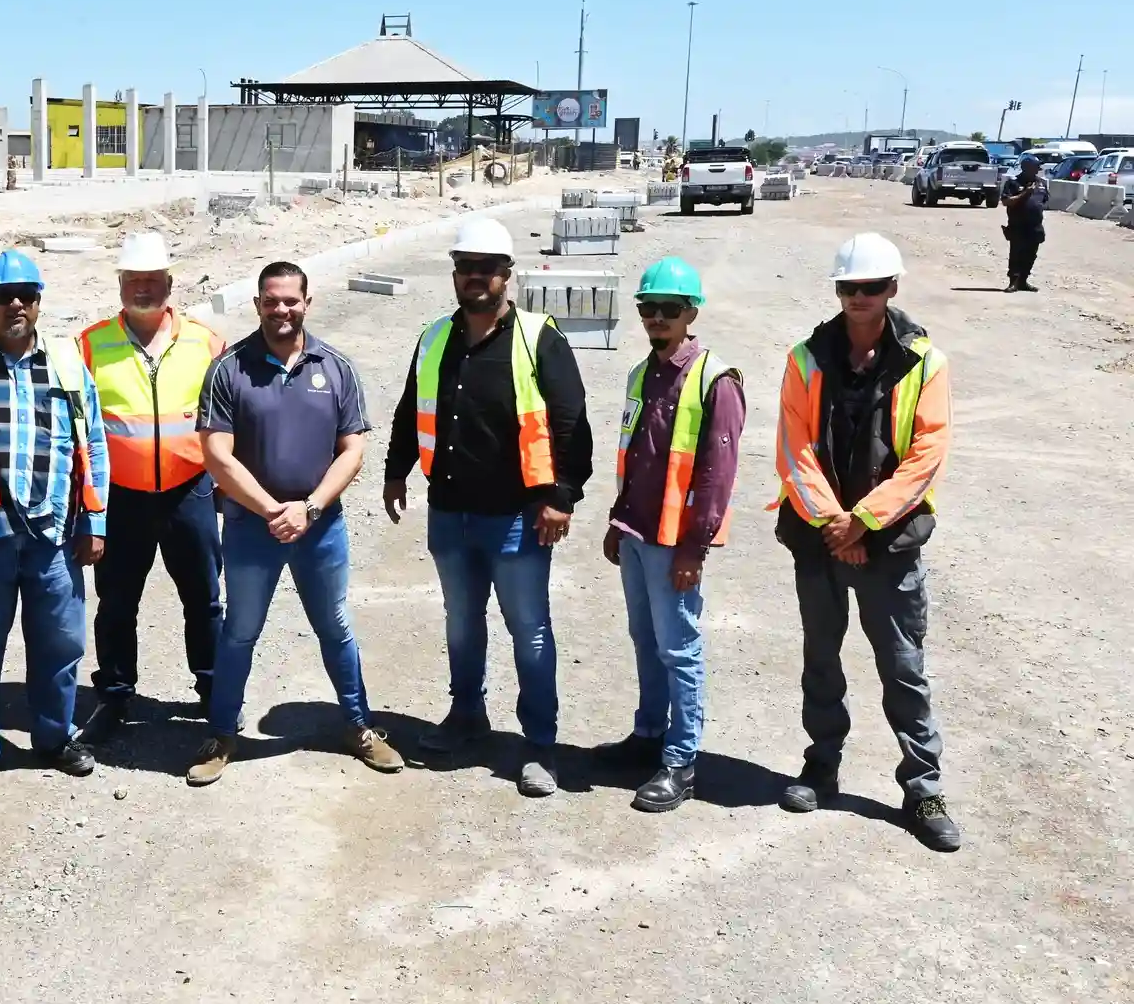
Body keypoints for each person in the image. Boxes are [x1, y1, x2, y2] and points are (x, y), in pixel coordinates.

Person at [383, 216, 594, 797]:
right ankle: (467, 714)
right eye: (465, 268)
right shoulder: (434, 338)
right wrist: (395, 469)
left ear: (507, 275)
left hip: (517, 516)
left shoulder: (538, 337)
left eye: (486, 269)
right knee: (460, 621)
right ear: (456, 275)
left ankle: (540, 745)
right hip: (449, 511)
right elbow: (411, 407)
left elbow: (571, 423)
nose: (475, 278)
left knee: (529, 630)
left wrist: (560, 497)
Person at [774, 233, 960, 852]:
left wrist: (865, 522)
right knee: (821, 660)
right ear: (837, 290)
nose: (859, 297)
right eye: (849, 287)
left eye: (871, 288)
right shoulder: (805, 359)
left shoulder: (924, 361)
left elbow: (926, 455)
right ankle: (821, 764)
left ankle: (923, 786)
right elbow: (794, 448)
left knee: (904, 669)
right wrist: (835, 523)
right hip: (820, 538)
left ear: (892, 290)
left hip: (890, 542)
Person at [188, 260, 399, 786]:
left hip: (320, 528)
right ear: (257, 303)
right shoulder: (229, 368)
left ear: (308, 302)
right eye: (271, 300)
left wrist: (309, 508)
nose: (281, 309)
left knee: (335, 626)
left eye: (291, 300)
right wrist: (271, 510)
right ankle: (221, 733)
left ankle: (358, 725)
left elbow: (353, 449)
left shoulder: (337, 367)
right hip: (249, 528)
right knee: (239, 632)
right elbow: (217, 455)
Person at [0, 249, 110, 799]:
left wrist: (95, 520)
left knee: (59, 644)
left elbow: (93, 441)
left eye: (25, 296)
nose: (14, 305)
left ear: (38, 303)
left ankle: (54, 738)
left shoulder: (66, 360)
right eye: (3, 296)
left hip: (53, 533)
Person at [596, 258, 746, 813]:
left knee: (679, 649)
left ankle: (680, 761)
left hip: (673, 541)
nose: (655, 318)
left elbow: (715, 475)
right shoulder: (642, 372)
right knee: (646, 642)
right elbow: (634, 455)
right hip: (636, 531)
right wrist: (617, 519)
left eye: (668, 309)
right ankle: (648, 735)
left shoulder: (715, 380)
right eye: (647, 308)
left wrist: (694, 547)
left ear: (691, 313)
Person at [77, 232, 226, 742]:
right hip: (122, 497)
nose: (143, 289)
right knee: (117, 601)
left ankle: (213, 691)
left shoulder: (205, 341)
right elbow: (79, 428)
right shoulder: (91, 344)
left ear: (169, 283)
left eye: (152, 281)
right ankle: (116, 695)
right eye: (133, 281)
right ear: (120, 284)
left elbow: (228, 419)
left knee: (204, 598)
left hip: (191, 490)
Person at [998, 155, 1048, 293]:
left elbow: (1043, 201)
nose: (1039, 168)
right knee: (1016, 254)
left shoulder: (1041, 183)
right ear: (1026, 167)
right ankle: (1013, 282)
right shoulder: (1013, 183)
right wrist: (1025, 193)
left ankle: (1023, 281)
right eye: (1036, 165)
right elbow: (1006, 201)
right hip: (1018, 225)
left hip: (1035, 226)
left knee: (1031, 255)